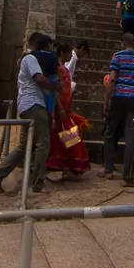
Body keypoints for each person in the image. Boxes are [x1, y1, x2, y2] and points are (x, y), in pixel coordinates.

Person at [0, 33, 57, 194]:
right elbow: (39, 78)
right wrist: (55, 87)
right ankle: (38, 183)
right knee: (43, 143)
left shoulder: (27, 59)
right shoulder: (30, 59)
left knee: (23, 146)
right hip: (34, 104)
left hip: (26, 105)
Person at [100, 33, 134, 183]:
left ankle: (108, 169)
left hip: (118, 97)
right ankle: (128, 175)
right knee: (131, 136)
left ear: (122, 43)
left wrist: (106, 101)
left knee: (110, 133)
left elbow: (112, 79)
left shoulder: (117, 56)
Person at [45, 42, 90, 176]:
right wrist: (59, 108)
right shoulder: (59, 69)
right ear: (63, 53)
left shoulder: (62, 68)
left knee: (63, 138)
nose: (71, 55)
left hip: (65, 109)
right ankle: (73, 165)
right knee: (70, 137)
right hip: (61, 110)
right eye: (69, 53)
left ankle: (65, 165)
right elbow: (57, 90)